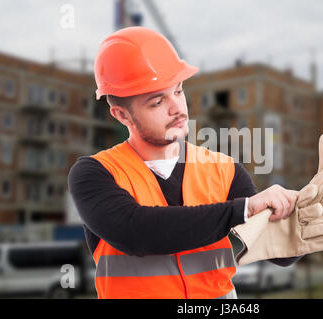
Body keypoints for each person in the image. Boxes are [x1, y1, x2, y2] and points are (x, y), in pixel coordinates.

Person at [68, 26, 303, 299]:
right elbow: (136, 232)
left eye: (178, 92)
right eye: (157, 102)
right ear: (122, 115)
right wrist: (244, 209)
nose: (177, 108)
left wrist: (301, 228)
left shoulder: (224, 170)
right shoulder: (95, 173)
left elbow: (274, 252)